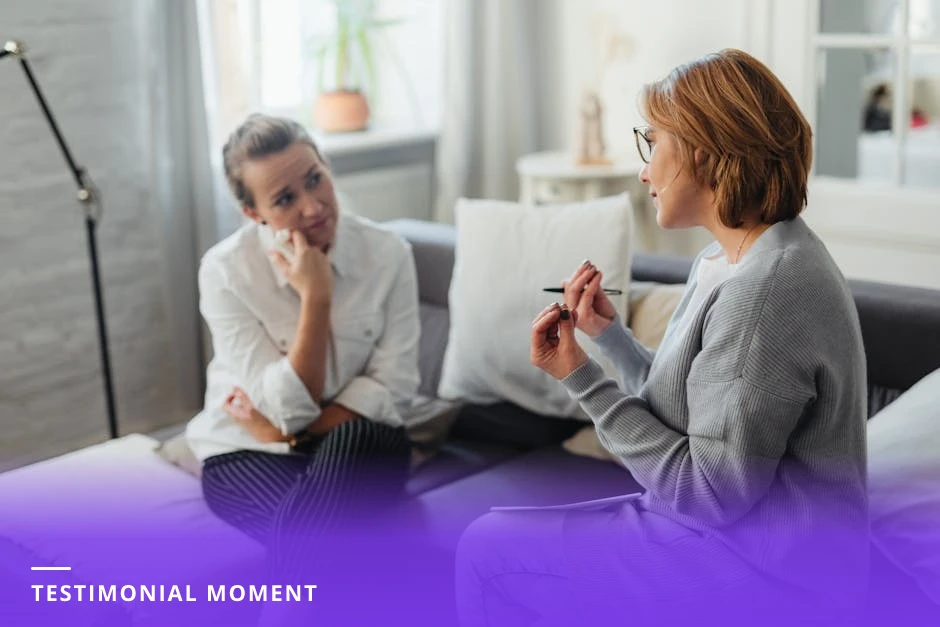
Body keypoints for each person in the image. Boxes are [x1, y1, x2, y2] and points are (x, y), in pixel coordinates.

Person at [456, 49, 868, 625]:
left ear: (704, 148)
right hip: (738, 547)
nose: (644, 170)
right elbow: (695, 410)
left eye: (653, 143)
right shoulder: (736, 256)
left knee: (487, 547)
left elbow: (709, 494)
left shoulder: (765, 291)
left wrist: (580, 377)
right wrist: (610, 338)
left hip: (769, 579)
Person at [184, 114, 420, 601]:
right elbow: (289, 406)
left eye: (315, 178)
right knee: (344, 546)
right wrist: (317, 297)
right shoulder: (226, 272)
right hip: (246, 450)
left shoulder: (388, 254)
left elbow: (395, 386)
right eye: (285, 199)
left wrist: (288, 433)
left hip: (362, 444)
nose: (314, 207)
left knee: (358, 437)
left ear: (326, 164)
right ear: (254, 214)